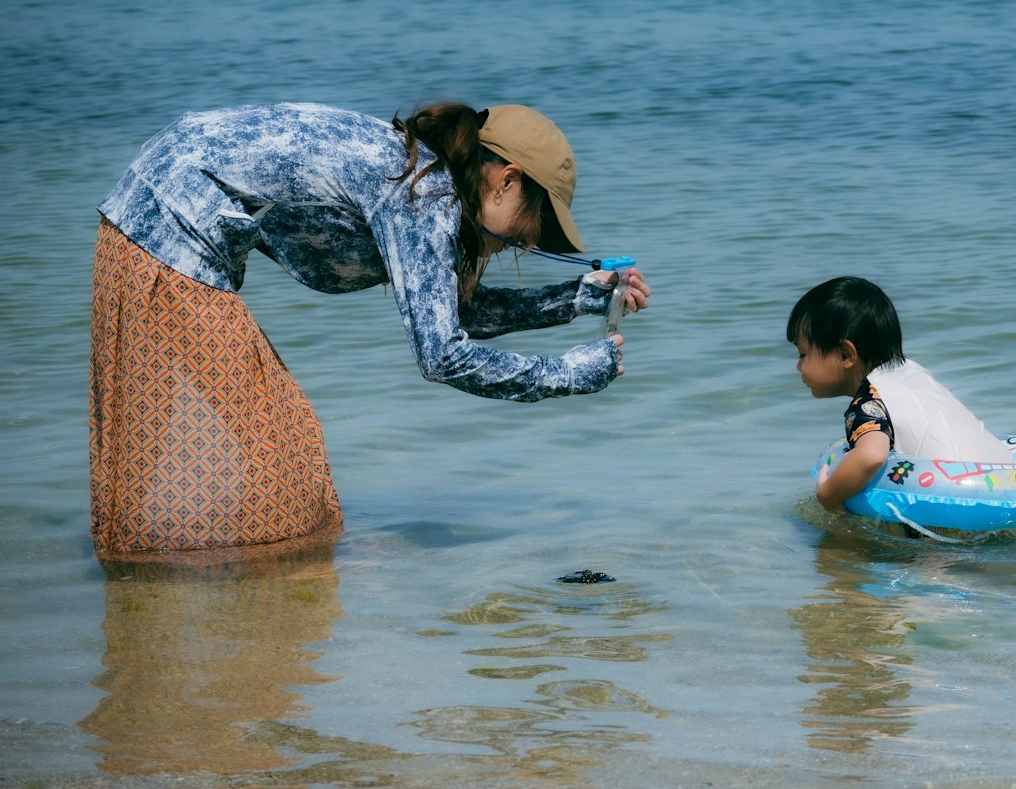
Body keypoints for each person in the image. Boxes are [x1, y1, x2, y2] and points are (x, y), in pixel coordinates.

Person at [89, 100, 649, 557]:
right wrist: (567, 375)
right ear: (506, 180)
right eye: (536, 223)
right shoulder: (425, 193)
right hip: (165, 226)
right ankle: (240, 589)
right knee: (282, 447)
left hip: (155, 212)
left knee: (279, 442)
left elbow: (452, 313)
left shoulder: (422, 175)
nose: (529, 243)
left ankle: (222, 580)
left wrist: (575, 298)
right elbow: (443, 353)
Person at [786, 276, 1013, 514]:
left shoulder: (868, 402)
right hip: (1004, 486)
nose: (798, 366)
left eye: (803, 354)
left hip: (960, 506)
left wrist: (827, 497)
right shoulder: (913, 373)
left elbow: (871, 456)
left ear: (845, 355)